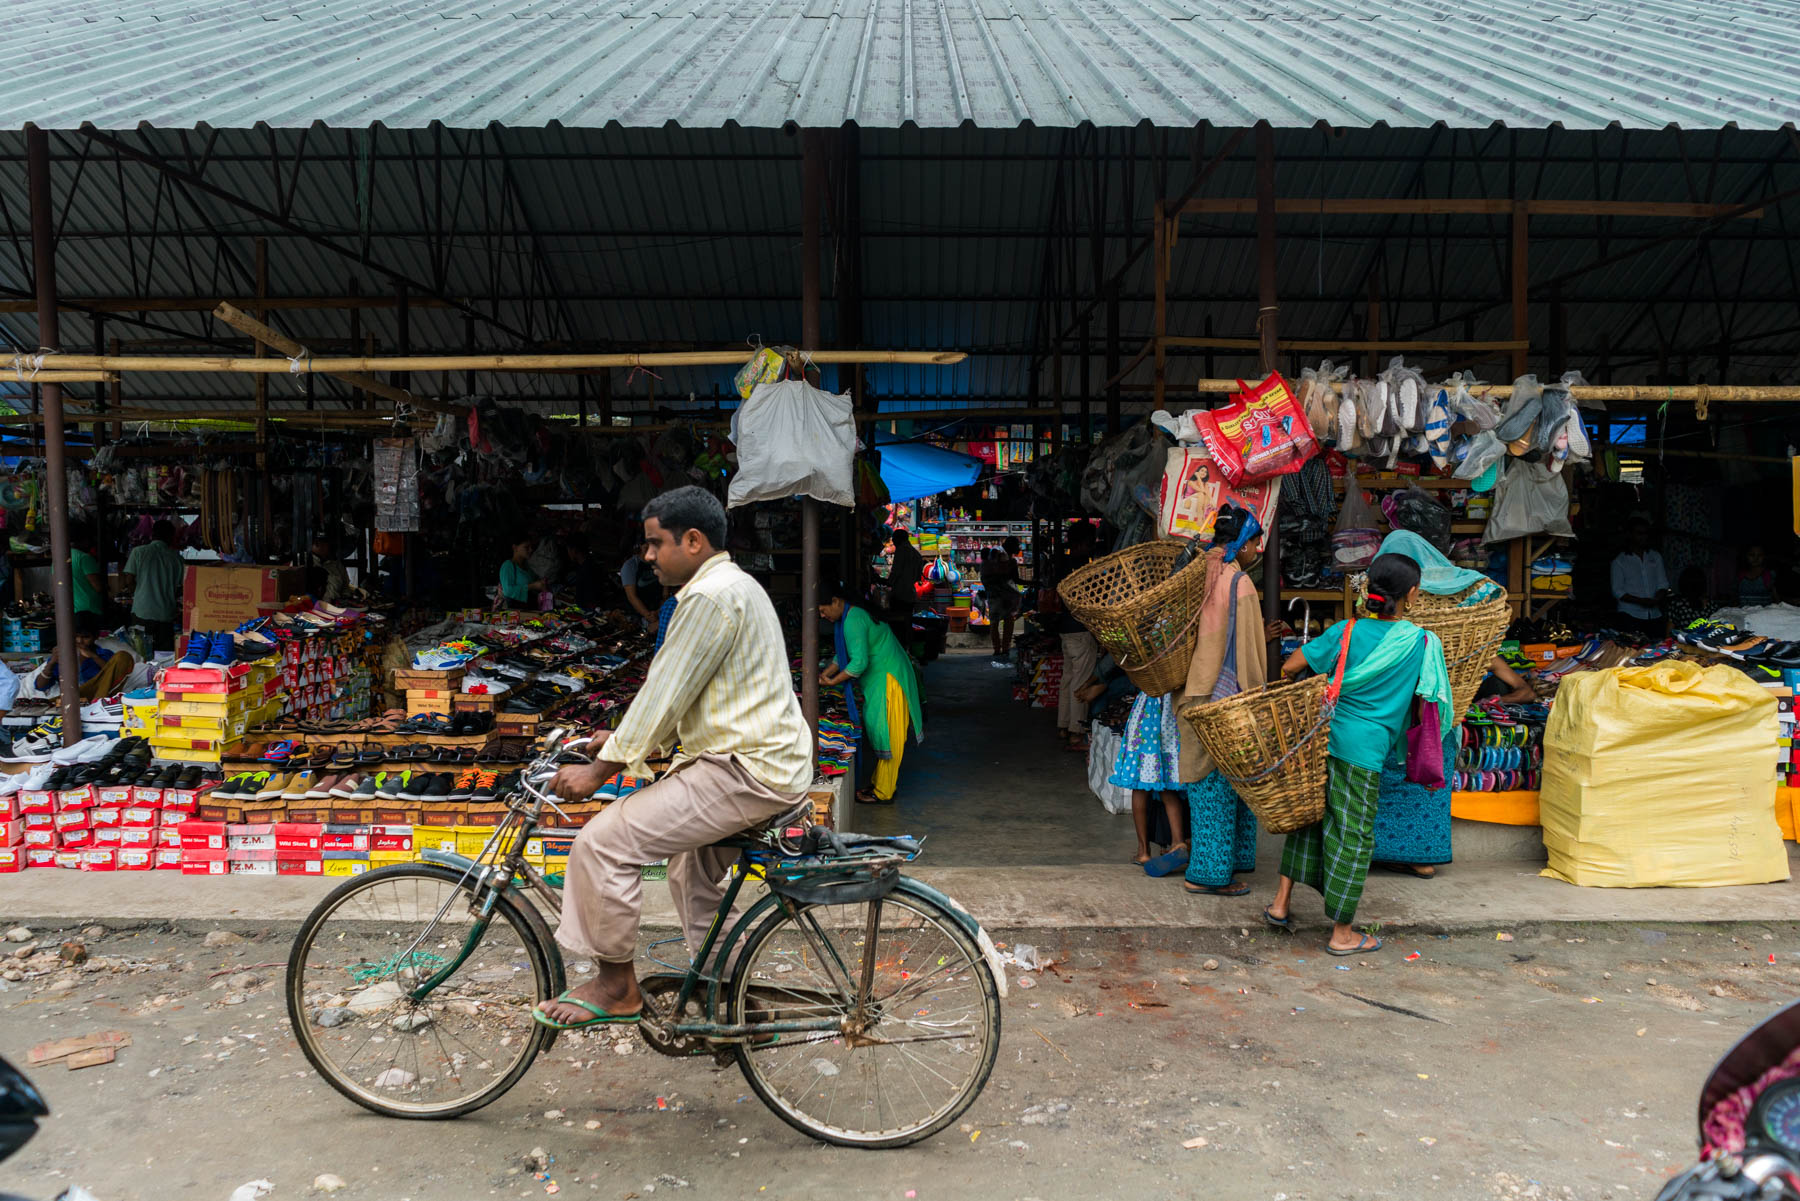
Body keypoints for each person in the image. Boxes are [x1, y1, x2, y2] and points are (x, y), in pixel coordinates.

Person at [536, 486, 811, 1030]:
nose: (648, 557)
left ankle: (616, 986)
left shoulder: (708, 598)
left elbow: (663, 694)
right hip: (760, 763)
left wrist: (599, 771)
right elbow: (689, 697)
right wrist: (615, 740)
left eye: (655, 543)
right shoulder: (733, 586)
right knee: (691, 873)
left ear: (693, 540)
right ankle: (728, 991)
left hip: (745, 770)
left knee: (603, 843)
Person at [1265, 553, 1451, 956]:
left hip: (1322, 739)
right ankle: (1342, 933)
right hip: (1364, 752)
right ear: (1413, 594)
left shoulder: (1346, 630)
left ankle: (1280, 903)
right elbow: (1433, 700)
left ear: (1369, 590)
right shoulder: (1421, 644)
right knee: (1353, 835)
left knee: (1309, 819)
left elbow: (1292, 666)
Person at [1366, 529, 1502, 880]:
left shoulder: (1376, 613)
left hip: (1384, 716)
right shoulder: (1459, 607)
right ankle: (1417, 855)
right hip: (1428, 717)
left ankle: (1373, 850)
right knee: (1420, 775)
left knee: (1383, 779)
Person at [1172, 508, 1279, 898]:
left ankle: (1220, 864)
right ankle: (1208, 875)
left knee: (1205, 788)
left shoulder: (1196, 571)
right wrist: (1257, 697)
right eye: (1254, 543)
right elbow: (1249, 652)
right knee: (1224, 788)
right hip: (1226, 698)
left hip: (1192, 692)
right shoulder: (1239, 583)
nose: (1256, 550)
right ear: (1244, 544)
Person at [818, 582, 924, 805]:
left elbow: (858, 663)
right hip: (884, 676)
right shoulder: (852, 615)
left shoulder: (853, 620)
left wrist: (832, 681)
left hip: (888, 679)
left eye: (822, 609)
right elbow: (844, 655)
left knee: (888, 733)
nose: (822, 615)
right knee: (883, 730)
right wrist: (824, 676)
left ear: (836, 602)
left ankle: (884, 791)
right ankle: (880, 783)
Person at [1055, 522, 1100, 752]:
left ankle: (1063, 725)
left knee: (1068, 678)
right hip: (1081, 629)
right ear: (1082, 543)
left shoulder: (1062, 564)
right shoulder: (1084, 567)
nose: (1093, 547)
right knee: (1080, 681)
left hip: (1066, 628)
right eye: (1091, 542)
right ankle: (1076, 731)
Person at [36, 613, 136, 702]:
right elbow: (40, 686)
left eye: (86, 637)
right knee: (44, 704)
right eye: (75, 636)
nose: (79, 641)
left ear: (95, 637)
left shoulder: (103, 654)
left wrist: (94, 656)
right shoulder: (62, 656)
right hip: (71, 701)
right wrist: (51, 663)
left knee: (123, 657)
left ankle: (97, 703)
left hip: (99, 698)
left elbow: (113, 675)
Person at [122, 520, 183, 652]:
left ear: (153, 534)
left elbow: (129, 580)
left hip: (142, 611)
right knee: (163, 654)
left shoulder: (138, 552)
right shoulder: (176, 558)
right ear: (171, 536)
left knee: (141, 652)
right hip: (165, 613)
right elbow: (180, 588)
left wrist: (138, 594)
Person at [1610, 518, 1669, 639]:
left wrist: (1656, 599)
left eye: (1646, 533)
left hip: (1654, 614)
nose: (1643, 537)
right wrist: (1641, 601)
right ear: (1630, 535)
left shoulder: (1655, 556)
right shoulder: (1620, 561)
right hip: (1630, 614)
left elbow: (1663, 583)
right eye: (1639, 533)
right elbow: (1618, 591)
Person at [980, 536, 1023, 667]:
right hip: (997, 594)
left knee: (1005, 621)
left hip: (1004, 595)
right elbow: (995, 572)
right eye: (1017, 545)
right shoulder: (997, 552)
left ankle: (1003, 649)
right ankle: (999, 649)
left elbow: (1014, 579)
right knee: (997, 621)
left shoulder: (1008, 558)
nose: (1019, 548)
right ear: (1010, 546)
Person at [621, 539, 662, 627]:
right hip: (638, 613)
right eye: (646, 547)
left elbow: (665, 592)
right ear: (640, 547)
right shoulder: (630, 565)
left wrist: (659, 612)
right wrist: (648, 616)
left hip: (657, 611)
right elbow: (632, 596)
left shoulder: (660, 563)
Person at [885, 528, 925, 616]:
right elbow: (918, 576)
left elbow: (896, 572)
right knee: (907, 620)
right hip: (911, 594)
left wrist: (888, 583)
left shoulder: (901, 550)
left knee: (898, 621)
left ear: (899, 539)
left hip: (900, 594)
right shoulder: (916, 554)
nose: (894, 542)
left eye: (894, 539)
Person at [498, 534, 542, 610]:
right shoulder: (508, 566)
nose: (531, 550)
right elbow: (508, 591)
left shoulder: (527, 566)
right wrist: (532, 586)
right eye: (526, 547)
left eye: (531, 547)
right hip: (516, 613)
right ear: (515, 548)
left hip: (531, 610)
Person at [69, 522, 103, 618]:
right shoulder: (84, 558)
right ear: (84, 540)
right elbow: (98, 587)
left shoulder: (58, 559)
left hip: (70, 610)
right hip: (88, 610)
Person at [305, 534, 351, 605]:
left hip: (335, 607)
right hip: (313, 607)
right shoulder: (304, 562)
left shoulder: (336, 565)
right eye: (326, 544)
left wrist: (345, 598)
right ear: (316, 544)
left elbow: (345, 586)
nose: (329, 547)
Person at [563, 539, 602, 609]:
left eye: (568, 550)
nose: (568, 554)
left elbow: (591, 594)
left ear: (574, 550)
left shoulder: (587, 568)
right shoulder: (585, 565)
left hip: (587, 609)